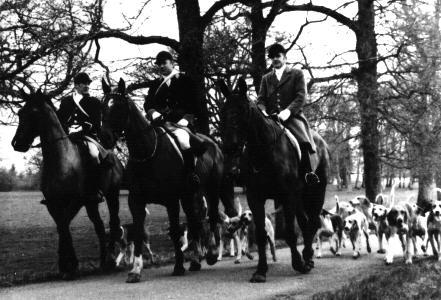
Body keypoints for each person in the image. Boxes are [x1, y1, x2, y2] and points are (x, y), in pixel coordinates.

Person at [257, 43, 319, 185]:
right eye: (272, 58)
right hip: (271, 118)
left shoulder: (296, 74)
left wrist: (287, 112)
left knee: (302, 139)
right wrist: (263, 112)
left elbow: (301, 96)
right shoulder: (266, 78)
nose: (275, 60)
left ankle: (308, 172)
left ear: (285, 57)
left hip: (292, 116)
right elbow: (261, 99)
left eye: (278, 56)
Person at [144, 51, 207, 191]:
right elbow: (148, 104)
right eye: (159, 64)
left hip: (180, 123)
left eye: (164, 63)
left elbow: (195, 103)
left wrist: (187, 118)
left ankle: (191, 174)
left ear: (172, 63)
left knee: (183, 139)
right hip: (160, 123)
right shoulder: (156, 84)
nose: (161, 66)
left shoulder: (185, 80)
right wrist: (153, 113)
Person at [57, 72, 110, 203]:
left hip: (87, 136)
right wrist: (67, 128)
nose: (86, 86)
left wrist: (82, 128)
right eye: (83, 83)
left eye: (88, 83)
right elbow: (60, 119)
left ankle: (96, 189)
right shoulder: (66, 101)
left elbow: (96, 123)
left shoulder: (94, 102)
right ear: (76, 85)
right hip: (68, 136)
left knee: (93, 154)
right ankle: (54, 189)